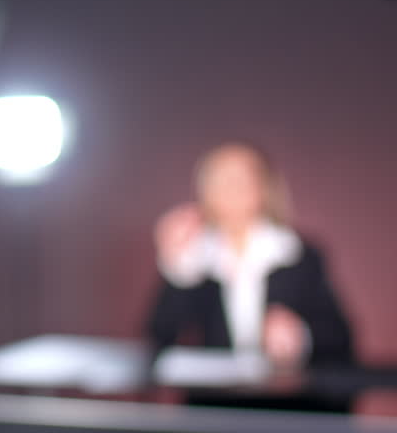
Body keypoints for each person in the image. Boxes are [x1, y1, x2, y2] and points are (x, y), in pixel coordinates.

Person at [145, 143, 354, 375]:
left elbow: (339, 338)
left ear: (263, 187)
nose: (229, 190)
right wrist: (176, 265)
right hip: (212, 404)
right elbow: (158, 339)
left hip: (283, 402)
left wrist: (301, 334)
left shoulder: (297, 253)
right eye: (218, 180)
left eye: (238, 179)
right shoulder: (192, 259)